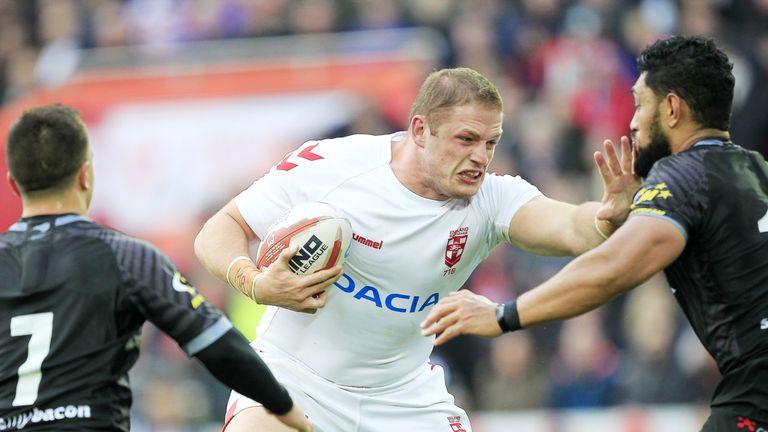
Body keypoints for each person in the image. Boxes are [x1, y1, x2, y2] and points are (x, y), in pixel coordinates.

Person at [194, 66, 640, 431]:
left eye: (491, 143)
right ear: (420, 130)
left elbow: (570, 226)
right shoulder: (334, 166)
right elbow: (220, 228)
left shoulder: (491, 198)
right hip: (294, 378)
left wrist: (607, 216)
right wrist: (253, 283)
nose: (481, 157)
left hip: (403, 398)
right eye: (466, 140)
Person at [422, 36, 768, 431]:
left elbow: (613, 268)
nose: (634, 122)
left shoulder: (684, 174)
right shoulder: (755, 169)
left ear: (672, 108)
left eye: (639, 104)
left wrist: (502, 316)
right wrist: (633, 215)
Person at [0, 104, 314, 432]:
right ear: (85, 174)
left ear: (13, 183)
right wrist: (286, 409)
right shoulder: (125, 256)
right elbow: (218, 346)